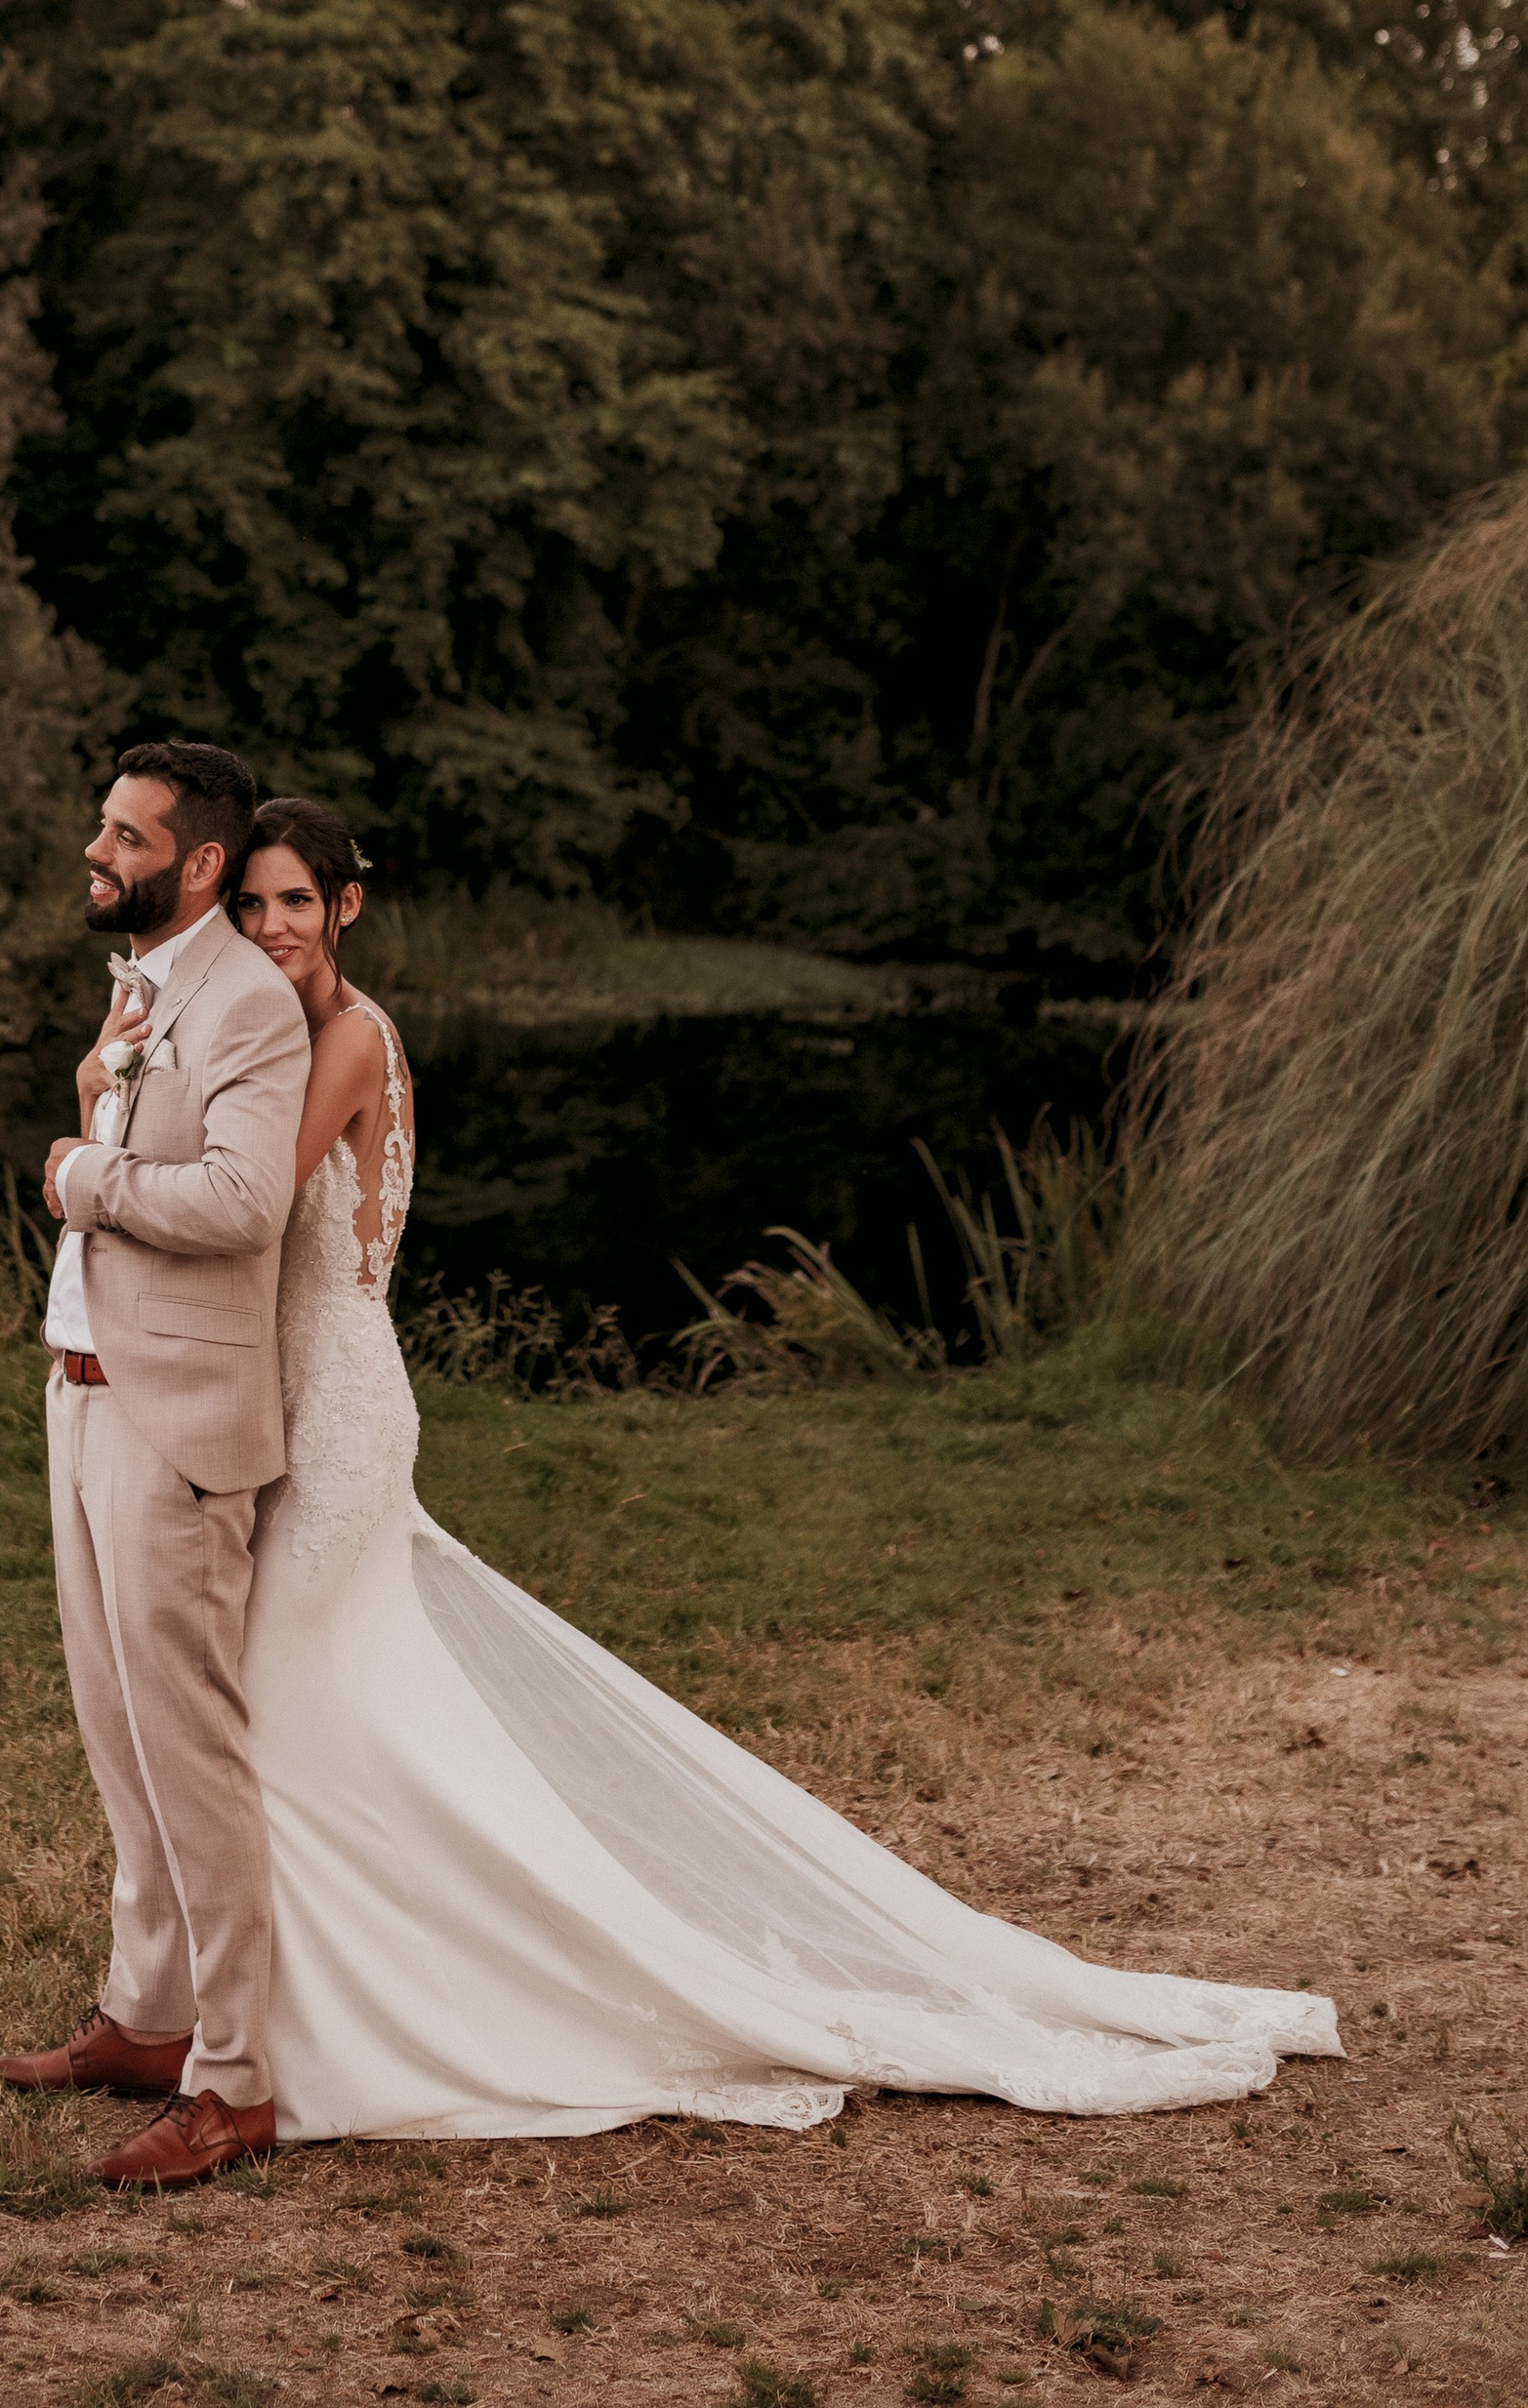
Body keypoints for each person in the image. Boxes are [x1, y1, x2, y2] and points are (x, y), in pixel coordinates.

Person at [227, 793, 1342, 2141]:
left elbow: (244, 1206)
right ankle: (353, 1992)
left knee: (275, 1698)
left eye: (296, 900)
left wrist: (104, 1120)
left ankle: (372, 2014)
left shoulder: (348, 1038)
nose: (271, 924)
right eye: (251, 903)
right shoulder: (283, 1035)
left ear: (346, 905)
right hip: (302, 1404)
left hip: (342, 1416)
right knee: (340, 1712)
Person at [0, 742, 310, 2189]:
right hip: (84, 1393)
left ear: (197, 862)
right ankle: (147, 2014)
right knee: (116, 1726)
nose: (95, 850)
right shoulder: (146, 986)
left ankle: (232, 2083)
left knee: (191, 1750)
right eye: (101, 826)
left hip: (174, 1415)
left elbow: (244, 1203)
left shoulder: (245, 1002)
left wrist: (79, 1174)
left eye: (124, 836)